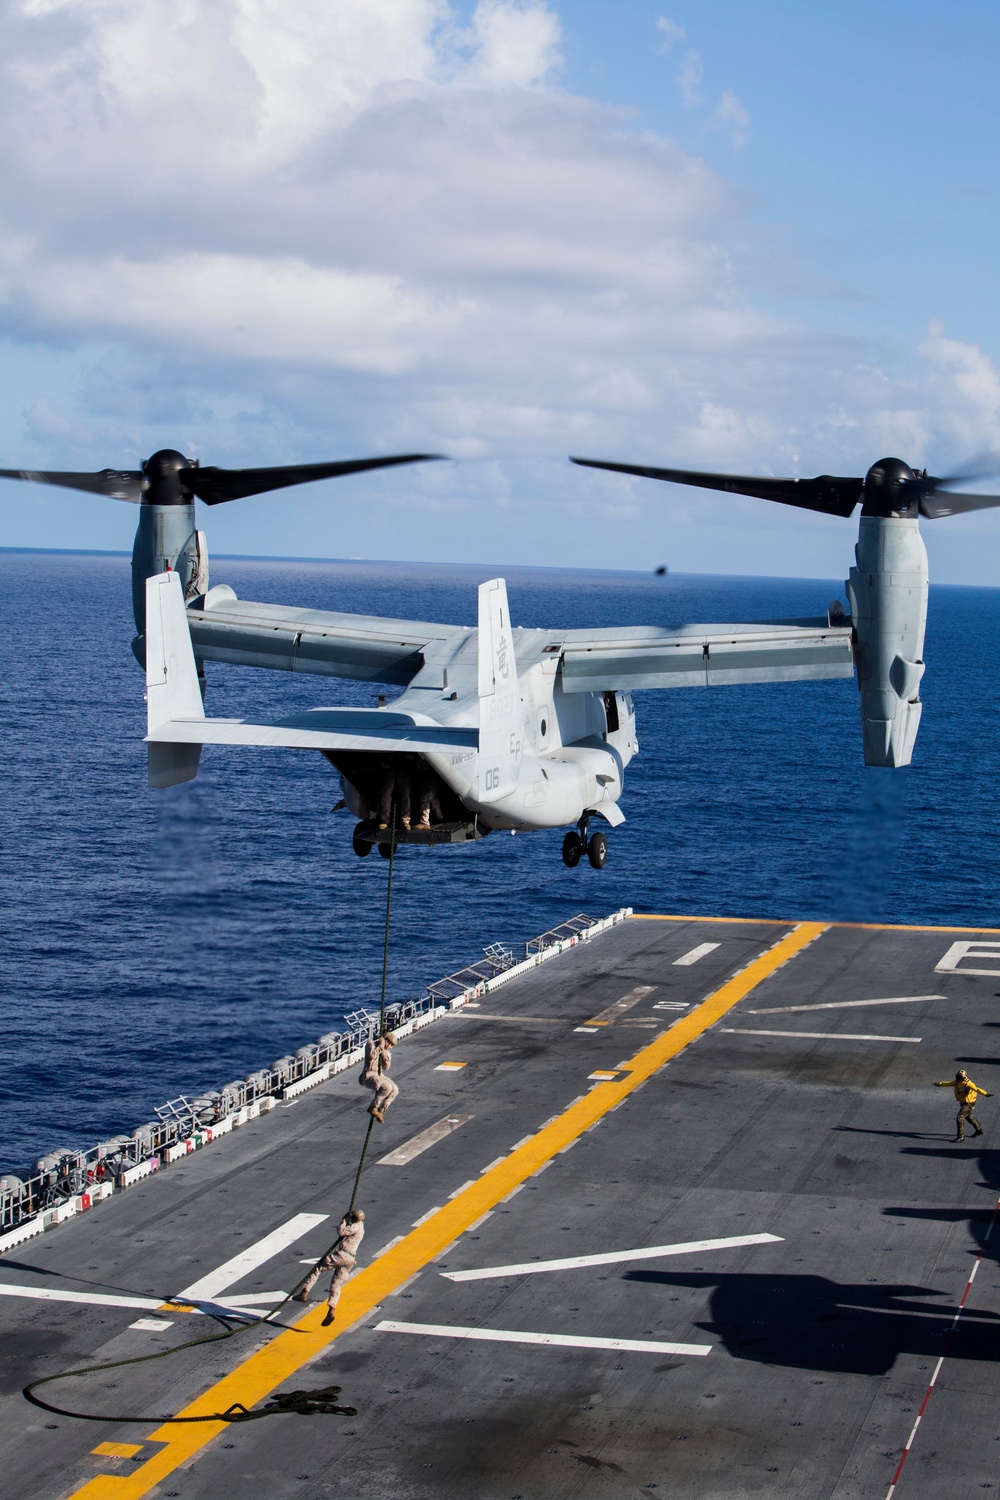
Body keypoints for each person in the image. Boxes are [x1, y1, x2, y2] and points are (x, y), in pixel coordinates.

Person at [293, 1209, 365, 1326]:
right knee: (336, 1284)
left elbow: (341, 1232)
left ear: (354, 1218)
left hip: (342, 1255)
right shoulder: (361, 1227)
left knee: (318, 1268)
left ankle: (304, 1291)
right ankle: (331, 1309)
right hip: (351, 1259)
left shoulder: (355, 1227)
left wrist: (343, 1221)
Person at [934, 1069, 992, 1140]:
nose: (958, 1078)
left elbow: (976, 1089)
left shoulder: (968, 1084)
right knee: (968, 1116)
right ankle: (978, 1129)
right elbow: (949, 1083)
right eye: (957, 1076)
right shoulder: (956, 1082)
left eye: (959, 1077)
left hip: (969, 1104)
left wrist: (985, 1094)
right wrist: (940, 1084)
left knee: (960, 1117)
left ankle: (961, 1136)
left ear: (964, 1077)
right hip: (963, 1103)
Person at [359, 1031, 398, 1122]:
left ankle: (381, 1110)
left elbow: (386, 1067)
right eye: (390, 1044)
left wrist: (384, 1053)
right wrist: (380, 1047)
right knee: (387, 1087)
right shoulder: (371, 1044)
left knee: (395, 1090)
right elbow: (372, 1055)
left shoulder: (386, 1052)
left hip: (379, 1074)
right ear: (386, 1041)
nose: (391, 1047)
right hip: (368, 1075)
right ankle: (373, 1107)